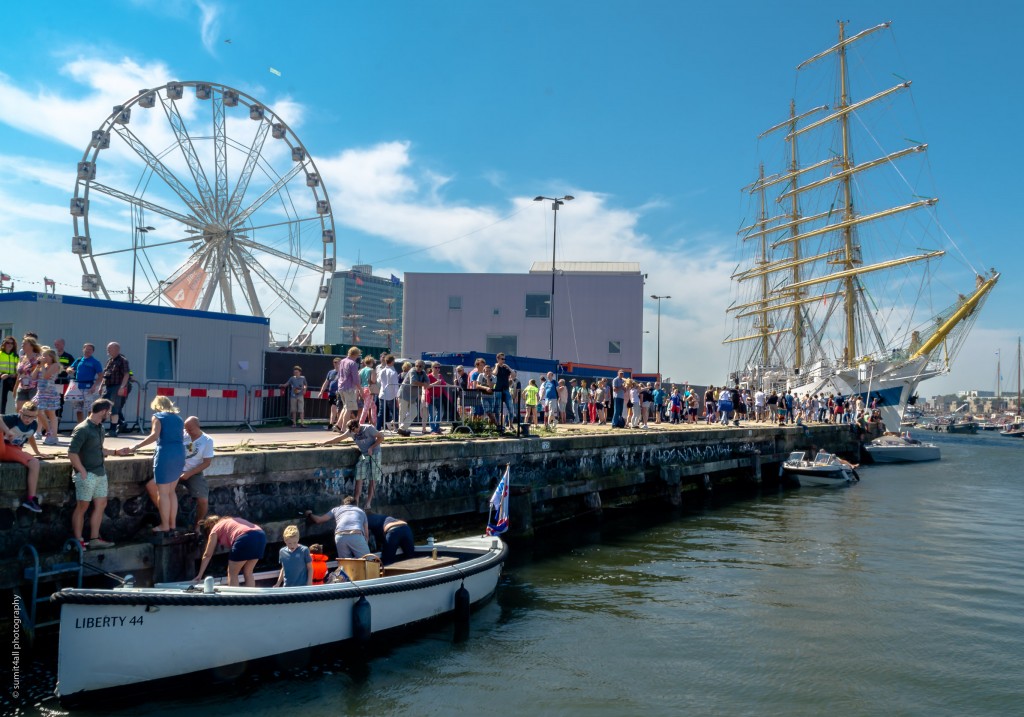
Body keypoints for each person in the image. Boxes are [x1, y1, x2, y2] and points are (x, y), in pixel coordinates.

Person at [68, 398, 130, 550]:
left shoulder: (100, 428)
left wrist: (115, 452)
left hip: (100, 473)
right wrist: (81, 471)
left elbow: (98, 449)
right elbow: (72, 453)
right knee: (82, 507)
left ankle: (94, 539)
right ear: (103, 411)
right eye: (108, 411)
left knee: (101, 504)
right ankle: (79, 540)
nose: (109, 414)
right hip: (87, 474)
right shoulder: (82, 429)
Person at [132, 396, 186, 533]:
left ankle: (164, 525)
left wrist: (137, 446)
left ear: (157, 406)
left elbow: (154, 436)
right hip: (179, 453)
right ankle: (172, 524)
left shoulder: (158, 416)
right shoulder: (179, 418)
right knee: (171, 492)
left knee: (162, 493)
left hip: (165, 454)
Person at [321, 418, 384, 509]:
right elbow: (339, 438)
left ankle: (368, 502)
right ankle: (356, 503)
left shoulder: (369, 428)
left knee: (372, 478)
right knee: (359, 475)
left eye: (356, 429)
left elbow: (381, 437)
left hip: (375, 453)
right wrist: (326, 443)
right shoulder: (351, 431)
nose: (355, 432)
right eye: (353, 431)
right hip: (364, 454)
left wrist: (372, 447)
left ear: (358, 425)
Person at [1, 400, 50, 512]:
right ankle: (30, 499)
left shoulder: (34, 424)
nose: (28, 419)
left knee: (34, 461)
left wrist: (37, 452)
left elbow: (30, 436)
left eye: (32, 417)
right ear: (20, 411)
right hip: (2, 447)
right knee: (0, 425)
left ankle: (30, 500)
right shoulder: (13, 419)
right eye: (25, 415)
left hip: (13, 450)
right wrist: (7, 431)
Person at [194, 515, 267, 587]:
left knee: (232, 573)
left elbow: (207, 555)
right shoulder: (231, 521)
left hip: (244, 538)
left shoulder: (215, 529)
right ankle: (251, 597)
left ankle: (234, 598)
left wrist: (200, 574)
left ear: (209, 527)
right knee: (248, 572)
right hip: (260, 536)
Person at [305, 495, 371, 559]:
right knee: (368, 560)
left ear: (343, 504)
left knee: (345, 564)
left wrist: (309, 514)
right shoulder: (361, 511)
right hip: (355, 534)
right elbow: (366, 534)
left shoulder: (336, 509)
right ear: (355, 504)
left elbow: (318, 520)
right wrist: (365, 547)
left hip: (340, 536)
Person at [178, 416, 214, 531]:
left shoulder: (207, 440)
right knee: (166, 492)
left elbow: (207, 462)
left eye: (191, 429)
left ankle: (197, 524)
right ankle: (172, 523)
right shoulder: (184, 434)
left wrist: (189, 473)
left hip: (194, 471)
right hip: (176, 469)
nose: (188, 432)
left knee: (203, 500)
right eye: (186, 429)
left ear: (198, 427)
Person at [98, 342, 130, 437]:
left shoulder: (123, 360)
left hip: (117, 386)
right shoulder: (109, 361)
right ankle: (98, 427)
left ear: (116, 349)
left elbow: (126, 374)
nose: (107, 350)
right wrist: (101, 386)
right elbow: (105, 375)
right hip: (108, 387)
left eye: (109, 348)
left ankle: (112, 430)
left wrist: (122, 387)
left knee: (115, 408)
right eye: (107, 348)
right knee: (102, 405)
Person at [66, 343, 104, 423]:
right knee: (78, 409)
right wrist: (69, 370)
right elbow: (70, 368)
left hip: (88, 387)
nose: (88, 351)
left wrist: (94, 386)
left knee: (89, 408)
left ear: (93, 351)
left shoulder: (95, 362)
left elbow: (100, 376)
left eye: (90, 349)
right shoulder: (79, 360)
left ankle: (89, 425)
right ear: (83, 349)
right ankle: (79, 426)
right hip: (77, 387)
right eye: (86, 349)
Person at [32, 347, 62, 445]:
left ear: (51, 357)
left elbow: (46, 376)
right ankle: (46, 431)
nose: (43, 357)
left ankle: (53, 436)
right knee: (37, 411)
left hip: (50, 393)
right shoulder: (42, 366)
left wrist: (43, 366)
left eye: (45, 355)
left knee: (52, 415)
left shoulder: (55, 365)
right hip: (41, 392)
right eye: (42, 355)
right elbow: (33, 377)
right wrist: (38, 367)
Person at [397, 360, 429, 436]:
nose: (418, 367)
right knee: (402, 413)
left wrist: (425, 384)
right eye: (416, 365)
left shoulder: (423, 372)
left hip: (412, 397)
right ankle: (402, 431)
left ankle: (402, 428)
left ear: (423, 367)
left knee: (414, 413)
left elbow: (428, 382)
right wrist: (423, 384)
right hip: (404, 394)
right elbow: (413, 382)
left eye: (420, 366)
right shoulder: (412, 370)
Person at [335, 346, 362, 427]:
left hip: (341, 387)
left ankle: (338, 425)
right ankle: (343, 428)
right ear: (356, 354)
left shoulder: (342, 361)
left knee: (345, 407)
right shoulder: (353, 363)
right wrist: (360, 389)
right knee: (349, 409)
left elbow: (339, 375)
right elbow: (355, 379)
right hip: (349, 388)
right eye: (358, 355)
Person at [13, 337, 41, 413]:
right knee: (19, 410)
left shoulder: (38, 357)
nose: (22, 345)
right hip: (22, 387)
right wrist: (15, 388)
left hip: (33, 387)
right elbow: (19, 374)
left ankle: (34, 424)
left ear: (31, 345)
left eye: (24, 343)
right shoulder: (22, 358)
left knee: (33, 410)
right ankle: (21, 425)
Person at [53, 338, 75, 425]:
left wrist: (67, 369)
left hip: (62, 383)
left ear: (63, 345)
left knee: (59, 402)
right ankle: (48, 425)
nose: (56, 346)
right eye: (55, 344)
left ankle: (57, 424)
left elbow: (72, 367)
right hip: (52, 383)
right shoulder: (52, 356)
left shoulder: (68, 356)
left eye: (58, 344)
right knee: (51, 402)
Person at [493, 353, 515, 431]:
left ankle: (511, 425)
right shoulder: (496, 367)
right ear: (498, 359)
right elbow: (494, 374)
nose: (503, 360)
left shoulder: (506, 368)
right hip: (498, 390)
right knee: (497, 409)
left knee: (511, 408)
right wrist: (496, 365)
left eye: (504, 359)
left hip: (506, 389)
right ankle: (498, 425)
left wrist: (508, 367)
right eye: (502, 359)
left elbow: (513, 375)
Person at [319, 357, 342, 430]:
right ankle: (331, 424)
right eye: (334, 362)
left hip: (339, 393)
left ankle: (339, 425)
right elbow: (326, 382)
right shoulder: (330, 372)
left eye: (337, 362)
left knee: (337, 409)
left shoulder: (343, 372)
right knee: (333, 409)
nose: (335, 364)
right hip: (331, 393)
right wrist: (321, 392)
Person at [426, 362, 447, 434]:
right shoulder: (428, 376)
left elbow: (444, 384)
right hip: (431, 397)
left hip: (439, 396)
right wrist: (435, 384)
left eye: (439, 367)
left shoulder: (440, 376)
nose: (437, 369)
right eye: (436, 367)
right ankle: (433, 430)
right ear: (432, 368)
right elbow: (426, 386)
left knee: (440, 412)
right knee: (431, 414)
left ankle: (436, 427)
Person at [1, 336, 19, 414]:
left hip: (13, 379)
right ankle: (1, 417)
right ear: (4, 344)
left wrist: (15, 374)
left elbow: (19, 368)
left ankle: (20, 416)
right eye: (8, 342)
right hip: (2, 379)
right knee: (2, 400)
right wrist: (1, 375)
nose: (10, 345)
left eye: (12, 343)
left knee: (19, 397)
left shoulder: (15, 355)